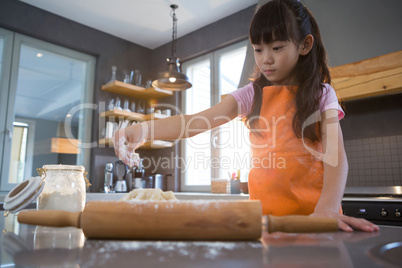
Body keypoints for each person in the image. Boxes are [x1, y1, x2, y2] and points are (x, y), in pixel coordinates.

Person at [113, 0, 379, 232]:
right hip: (266, 224)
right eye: (258, 49)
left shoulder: (322, 94)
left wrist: (328, 209)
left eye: (276, 48)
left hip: (318, 220)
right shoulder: (252, 94)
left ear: (304, 45)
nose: (266, 60)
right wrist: (142, 130)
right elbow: (193, 122)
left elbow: (336, 156)